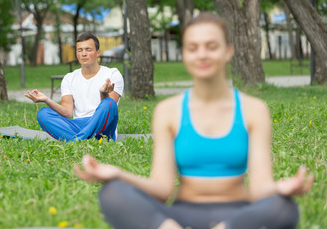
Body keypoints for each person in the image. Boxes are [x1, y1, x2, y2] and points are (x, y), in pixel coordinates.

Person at [73, 13, 313, 229]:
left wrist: (281, 189)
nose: (202, 54)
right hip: (181, 216)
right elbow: (161, 187)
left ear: (228, 51)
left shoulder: (254, 109)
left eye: (211, 46)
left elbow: (261, 187)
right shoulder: (168, 111)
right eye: (193, 47)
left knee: (284, 207)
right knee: (112, 193)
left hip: (237, 217)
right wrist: (118, 173)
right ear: (185, 54)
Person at [25, 33, 124, 142]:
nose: (84, 54)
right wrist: (46, 100)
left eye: (88, 50)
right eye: (80, 50)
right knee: (43, 114)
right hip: (77, 125)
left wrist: (103, 93)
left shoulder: (112, 74)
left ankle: (76, 141)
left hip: (103, 129)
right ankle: (83, 139)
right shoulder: (69, 78)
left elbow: (109, 110)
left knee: (109, 103)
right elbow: (67, 113)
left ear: (98, 53)